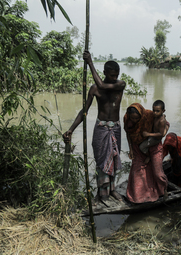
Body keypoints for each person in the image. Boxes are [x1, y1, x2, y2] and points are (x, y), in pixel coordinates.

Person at [63, 51, 126, 202]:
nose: (114, 78)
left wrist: (90, 62)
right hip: (101, 129)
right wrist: (71, 129)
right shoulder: (94, 89)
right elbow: (84, 111)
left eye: (116, 75)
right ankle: (100, 192)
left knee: (114, 158)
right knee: (101, 160)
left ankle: (111, 190)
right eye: (111, 75)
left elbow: (102, 85)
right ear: (104, 72)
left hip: (115, 127)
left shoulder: (120, 85)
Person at [124, 103, 168, 204]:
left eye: (137, 118)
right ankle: (137, 198)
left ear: (141, 115)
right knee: (137, 172)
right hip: (137, 148)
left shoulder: (149, 115)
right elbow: (128, 134)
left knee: (157, 173)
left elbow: (165, 124)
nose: (134, 121)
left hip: (153, 146)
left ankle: (162, 190)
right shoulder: (127, 119)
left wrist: (162, 134)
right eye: (132, 118)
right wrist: (130, 149)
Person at [139, 100, 169, 164]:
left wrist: (148, 134)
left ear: (163, 111)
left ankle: (149, 156)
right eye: (154, 110)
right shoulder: (156, 116)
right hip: (153, 133)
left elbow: (161, 134)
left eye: (157, 111)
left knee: (141, 147)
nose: (155, 113)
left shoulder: (161, 121)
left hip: (156, 139)